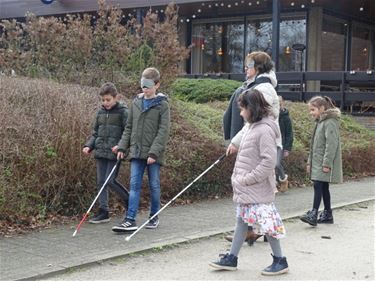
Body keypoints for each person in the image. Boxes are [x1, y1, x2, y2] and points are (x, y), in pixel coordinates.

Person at [210, 89, 288, 276]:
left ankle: (280, 260)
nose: (240, 113)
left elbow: (269, 161)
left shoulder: (264, 130)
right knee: (241, 222)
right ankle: (232, 258)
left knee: (267, 224)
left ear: (252, 109)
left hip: (257, 187)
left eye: (243, 109)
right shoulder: (252, 126)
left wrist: (248, 178)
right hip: (247, 188)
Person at [223, 51, 281, 245]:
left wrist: (236, 142)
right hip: (254, 143)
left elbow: (253, 123)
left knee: (260, 199)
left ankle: (274, 250)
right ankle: (243, 237)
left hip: (261, 145)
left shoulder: (263, 88)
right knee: (248, 200)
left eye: (248, 65)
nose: (245, 69)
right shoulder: (254, 85)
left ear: (257, 67)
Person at [112, 67, 171, 232]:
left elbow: (163, 131)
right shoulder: (136, 103)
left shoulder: (163, 105)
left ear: (157, 85)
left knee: (154, 185)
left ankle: (154, 217)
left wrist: (154, 152)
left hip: (153, 154)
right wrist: (123, 146)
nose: (144, 89)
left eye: (148, 85)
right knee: (134, 184)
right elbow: (129, 127)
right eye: (142, 85)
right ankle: (130, 219)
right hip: (136, 152)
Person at [82, 82, 129, 223]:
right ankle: (103, 211)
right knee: (101, 182)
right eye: (103, 100)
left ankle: (129, 200)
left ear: (116, 98)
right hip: (101, 151)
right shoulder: (100, 113)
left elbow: (128, 132)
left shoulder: (123, 112)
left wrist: (121, 146)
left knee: (110, 180)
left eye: (108, 99)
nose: (105, 102)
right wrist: (89, 146)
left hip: (115, 152)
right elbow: (96, 133)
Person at [300, 96, 342, 226]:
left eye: (313, 109)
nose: (311, 113)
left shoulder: (330, 122)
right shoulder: (320, 122)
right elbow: (314, 146)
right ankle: (328, 214)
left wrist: (327, 164)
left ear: (322, 108)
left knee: (318, 185)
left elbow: (332, 145)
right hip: (317, 162)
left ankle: (313, 213)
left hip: (323, 162)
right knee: (323, 187)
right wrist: (309, 163)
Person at [276, 95, 294, 192]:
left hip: (281, 144)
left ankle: (283, 180)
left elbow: (289, 134)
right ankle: (273, 185)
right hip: (270, 143)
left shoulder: (285, 118)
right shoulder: (269, 116)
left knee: (277, 164)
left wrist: (287, 148)